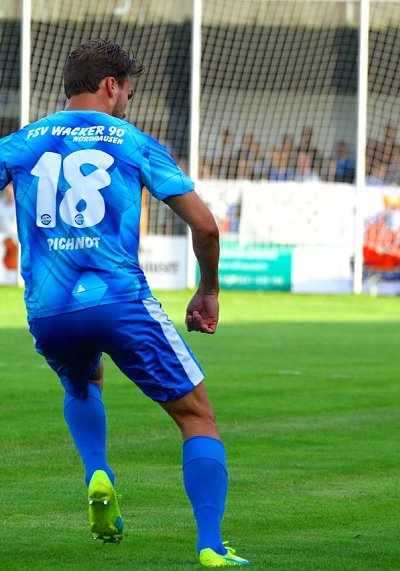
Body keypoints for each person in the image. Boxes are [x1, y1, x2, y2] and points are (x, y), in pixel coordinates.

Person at [0, 40, 248, 567]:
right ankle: (210, 544)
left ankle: (98, 470)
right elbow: (204, 224)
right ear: (111, 85)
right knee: (197, 418)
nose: (128, 100)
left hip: (50, 310)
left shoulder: (21, 142)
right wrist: (208, 289)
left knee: (82, 382)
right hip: (119, 301)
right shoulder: (131, 140)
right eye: (128, 90)